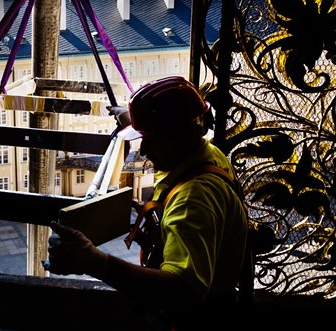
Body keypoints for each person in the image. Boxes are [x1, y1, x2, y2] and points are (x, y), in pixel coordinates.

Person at [44, 76, 249, 330]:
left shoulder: (192, 200)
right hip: (222, 309)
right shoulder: (203, 154)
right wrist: (131, 120)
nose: (143, 151)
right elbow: (172, 132)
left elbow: (183, 291)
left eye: (150, 139)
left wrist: (93, 261)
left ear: (183, 135)